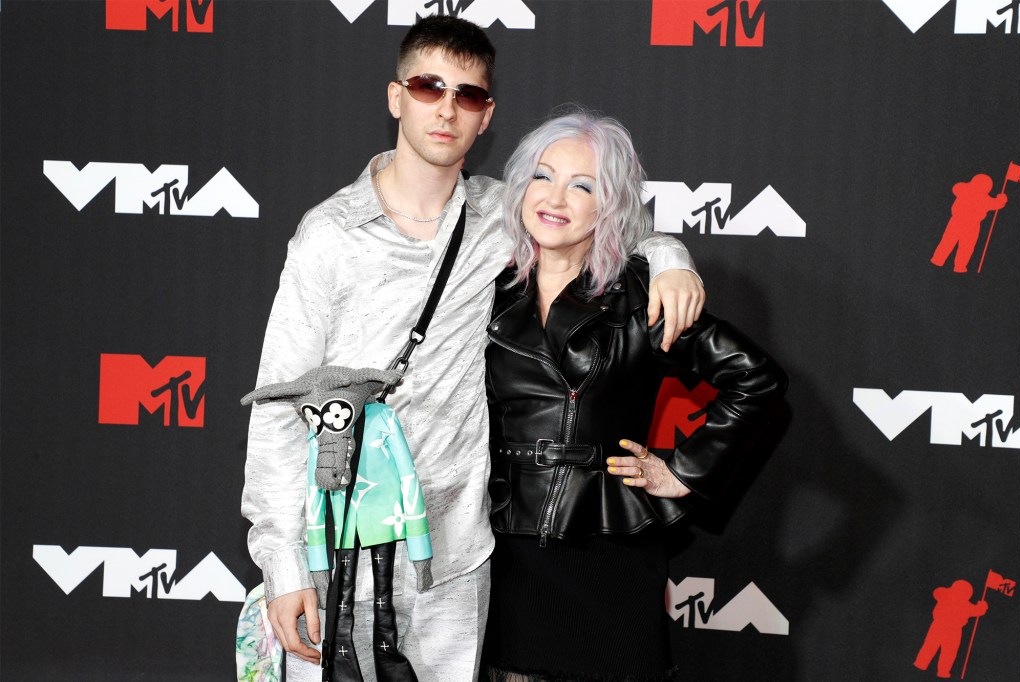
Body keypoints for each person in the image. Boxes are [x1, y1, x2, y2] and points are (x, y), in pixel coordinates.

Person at [241, 16, 706, 682]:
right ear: (397, 96)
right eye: (430, 87)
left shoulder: (504, 219)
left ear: (486, 117)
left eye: (469, 94)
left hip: (458, 562)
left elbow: (607, 236)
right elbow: (278, 405)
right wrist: (284, 566)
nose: (447, 108)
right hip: (340, 555)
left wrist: (669, 256)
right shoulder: (329, 235)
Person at [481, 111, 788, 681]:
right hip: (502, 546)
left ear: (611, 205)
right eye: (543, 177)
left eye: (583, 186)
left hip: (607, 545)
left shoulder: (641, 294)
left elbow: (755, 380)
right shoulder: (479, 289)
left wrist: (684, 472)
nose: (556, 198)